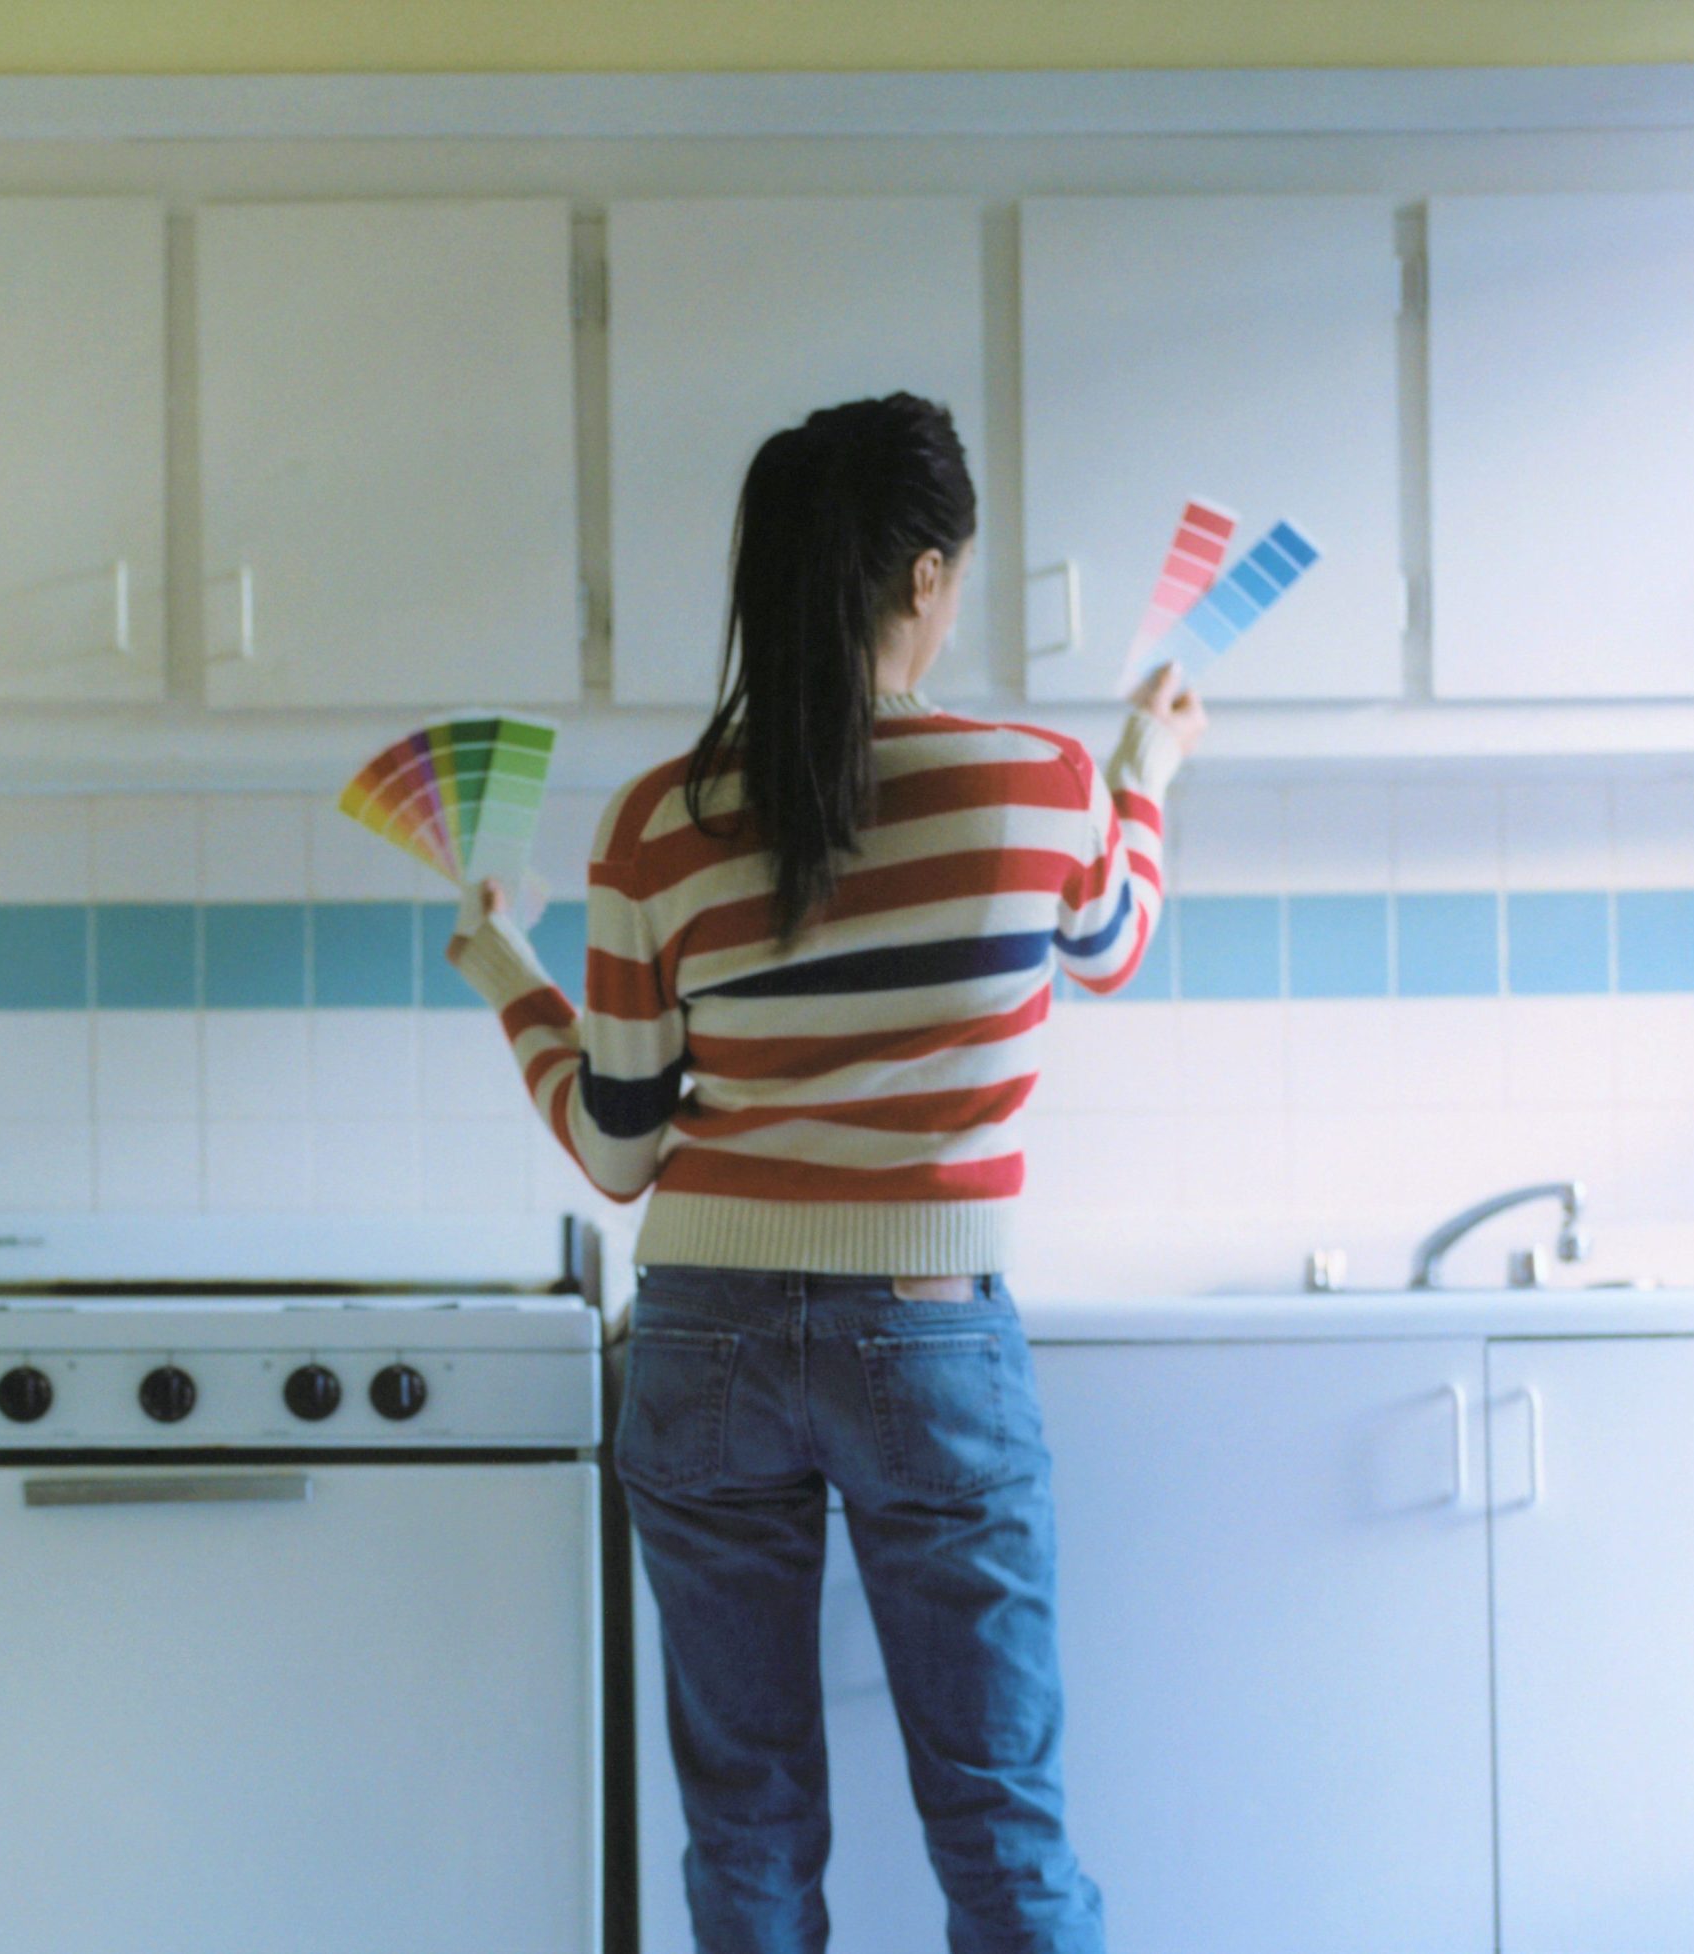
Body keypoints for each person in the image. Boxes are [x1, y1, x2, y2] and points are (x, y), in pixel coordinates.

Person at [444, 391, 1205, 1954]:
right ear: (925, 575)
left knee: (748, 1826)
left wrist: (507, 970)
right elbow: (1117, 942)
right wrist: (1145, 771)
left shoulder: (656, 819)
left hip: (706, 1339)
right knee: (1000, 1828)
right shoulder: (1037, 781)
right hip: (929, 1330)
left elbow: (617, 1143)